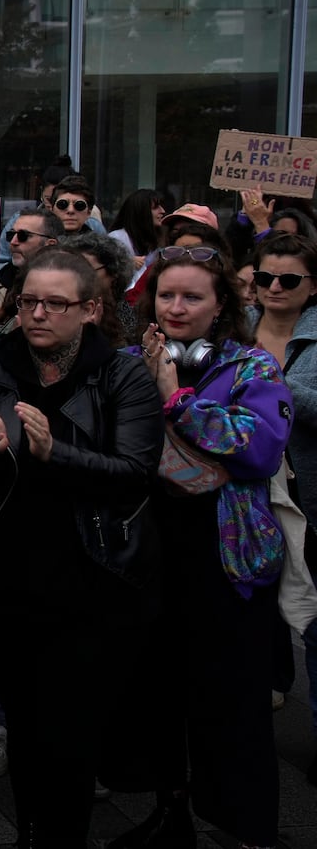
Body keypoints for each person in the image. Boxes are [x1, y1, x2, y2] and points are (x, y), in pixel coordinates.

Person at [0, 250, 164, 847]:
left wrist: (52, 451)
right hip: (4, 589)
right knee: (23, 729)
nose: (37, 314)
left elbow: (134, 472)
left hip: (88, 591)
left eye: (54, 303)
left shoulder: (122, 376)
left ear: (91, 309)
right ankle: (28, 832)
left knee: (69, 740)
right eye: (27, 302)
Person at [114, 248, 290, 849]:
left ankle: (248, 829)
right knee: (160, 694)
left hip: (225, 556)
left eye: (193, 297)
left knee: (231, 704)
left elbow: (259, 450)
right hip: (149, 552)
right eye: (167, 295)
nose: (178, 307)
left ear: (221, 307)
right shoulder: (131, 361)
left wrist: (178, 398)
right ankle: (172, 811)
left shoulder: (252, 368)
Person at [245, 233, 317, 785]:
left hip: (306, 495)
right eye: (265, 276)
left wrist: (268, 387)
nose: (273, 287)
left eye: (288, 279)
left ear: (310, 287)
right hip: (243, 493)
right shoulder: (235, 330)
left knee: (313, 619)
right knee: (251, 611)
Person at [60, 231, 139, 346]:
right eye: (71, 269)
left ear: (113, 273)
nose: (76, 277)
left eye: (85, 269)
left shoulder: (130, 319)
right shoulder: (64, 310)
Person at [108, 189, 168, 265]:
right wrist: (126, 262)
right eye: (155, 208)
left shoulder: (158, 239)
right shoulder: (117, 238)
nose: (162, 211)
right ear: (141, 212)